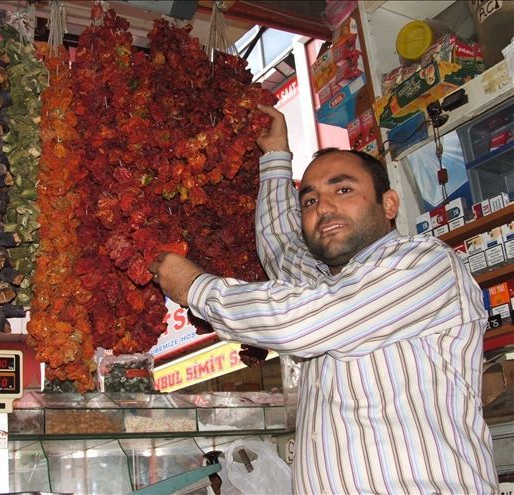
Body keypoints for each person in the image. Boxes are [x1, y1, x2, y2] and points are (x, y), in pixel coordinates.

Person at [149, 105, 498, 494]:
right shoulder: (328, 283)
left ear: (389, 205)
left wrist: (194, 287)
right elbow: (281, 247)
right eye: (310, 201)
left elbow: (297, 321)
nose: (324, 207)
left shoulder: (424, 265)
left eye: (343, 189)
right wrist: (276, 157)